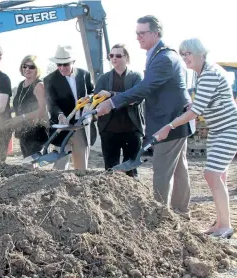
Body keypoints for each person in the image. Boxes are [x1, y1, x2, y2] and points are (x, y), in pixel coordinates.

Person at [95, 15, 193, 218]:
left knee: (162, 171)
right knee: (179, 169)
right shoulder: (161, 54)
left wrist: (112, 102)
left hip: (169, 122)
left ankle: (159, 217)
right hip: (177, 120)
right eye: (136, 33)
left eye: (142, 33)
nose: (137, 37)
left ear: (155, 33)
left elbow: (145, 88)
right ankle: (181, 211)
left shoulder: (163, 58)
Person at [154, 38, 237, 238]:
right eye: (182, 54)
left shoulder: (209, 74)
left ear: (200, 53)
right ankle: (219, 223)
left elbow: (196, 111)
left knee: (212, 175)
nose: (185, 58)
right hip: (217, 130)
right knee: (219, 176)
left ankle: (225, 226)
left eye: (188, 53)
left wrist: (169, 126)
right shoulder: (204, 73)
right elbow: (207, 103)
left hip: (228, 129)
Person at [94, 43, 144, 178]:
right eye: (111, 55)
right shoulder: (103, 78)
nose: (114, 58)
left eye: (118, 55)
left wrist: (111, 95)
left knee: (131, 171)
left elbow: (136, 99)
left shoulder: (136, 77)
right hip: (109, 130)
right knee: (110, 171)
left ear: (126, 58)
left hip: (131, 130)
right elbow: (96, 101)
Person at [44, 45, 94, 170]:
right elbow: (51, 103)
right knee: (60, 166)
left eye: (65, 64)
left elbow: (93, 92)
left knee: (81, 168)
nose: (62, 68)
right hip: (62, 127)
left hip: (81, 126)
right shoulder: (50, 79)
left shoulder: (84, 75)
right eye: (59, 65)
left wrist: (90, 98)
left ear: (73, 62)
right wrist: (60, 115)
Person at [6, 55, 48, 160]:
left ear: (37, 69)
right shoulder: (21, 84)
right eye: (25, 66)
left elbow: (43, 111)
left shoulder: (39, 85)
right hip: (23, 131)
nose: (27, 69)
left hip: (36, 132)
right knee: (27, 162)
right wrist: (7, 110)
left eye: (31, 67)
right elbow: (19, 105)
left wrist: (21, 117)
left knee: (32, 164)